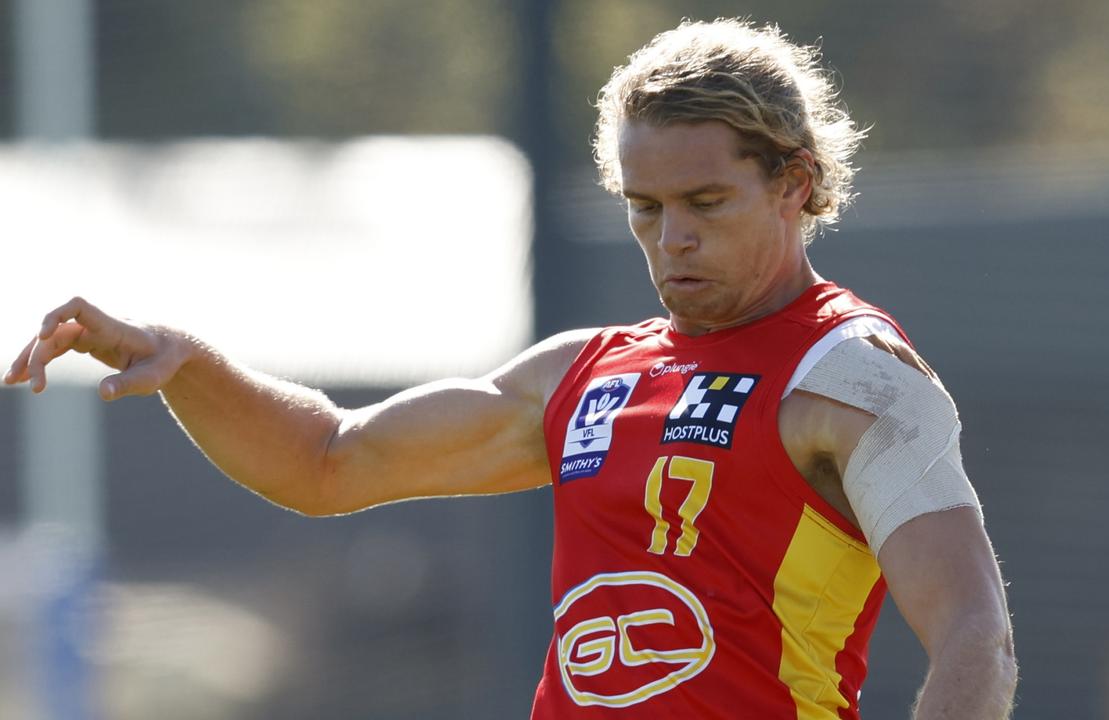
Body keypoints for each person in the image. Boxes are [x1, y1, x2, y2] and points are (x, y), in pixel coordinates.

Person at [5, 18, 1016, 720]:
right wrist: (190, 366)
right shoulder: (584, 375)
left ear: (793, 185)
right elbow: (327, 461)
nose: (670, 240)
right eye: (643, 208)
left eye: (704, 204)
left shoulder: (851, 377)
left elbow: (972, 630)